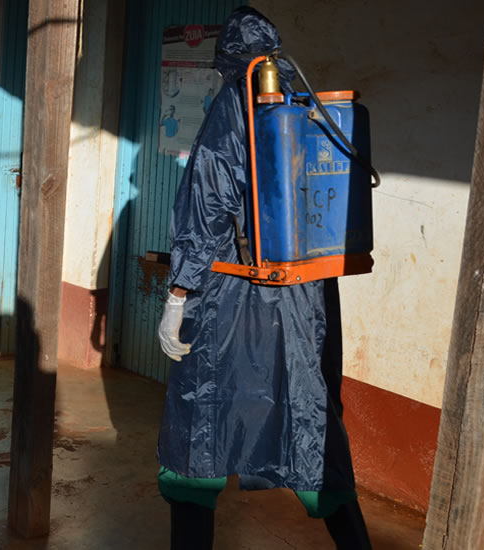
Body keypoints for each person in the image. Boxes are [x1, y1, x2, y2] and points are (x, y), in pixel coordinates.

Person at [155, 8, 372, 549]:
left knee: (199, 425)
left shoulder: (230, 114)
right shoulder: (307, 110)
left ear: (229, 59)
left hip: (232, 299)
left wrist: (177, 297)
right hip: (306, 298)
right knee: (311, 419)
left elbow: (205, 213)